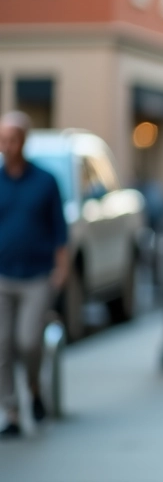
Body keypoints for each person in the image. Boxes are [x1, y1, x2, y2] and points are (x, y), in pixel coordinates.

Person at [0, 112, 68, 438]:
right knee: (1, 345)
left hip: (38, 275)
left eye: (12, 139)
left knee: (28, 341)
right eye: (2, 140)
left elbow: (60, 230)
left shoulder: (46, 181)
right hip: (2, 276)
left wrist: (61, 270)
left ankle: (35, 390)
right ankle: (12, 412)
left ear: (24, 141)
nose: (7, 146)